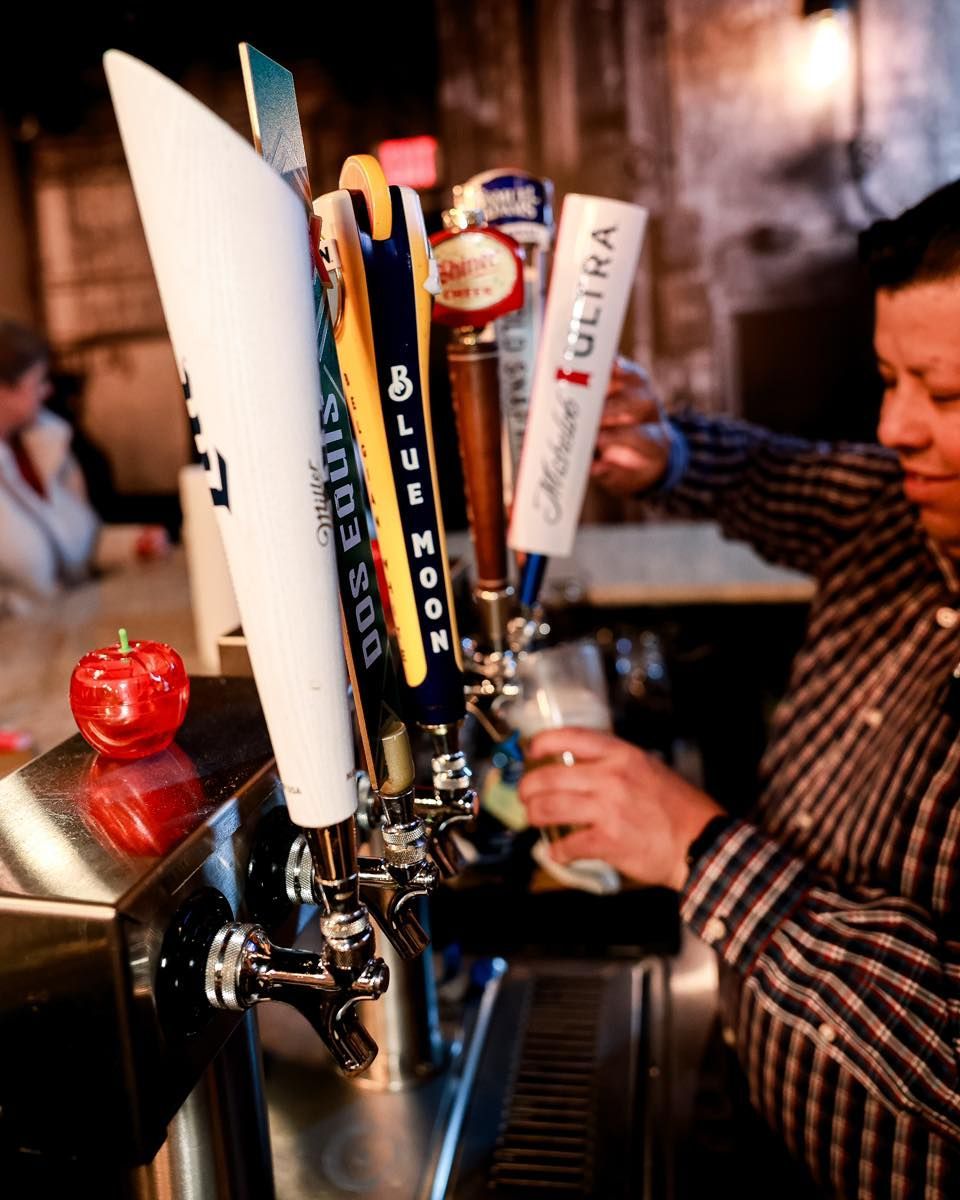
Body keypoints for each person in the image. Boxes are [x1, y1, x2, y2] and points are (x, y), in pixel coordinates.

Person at [520, 180, 960, 1197]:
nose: (894, 426)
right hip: (766, 1123)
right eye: (888, 377)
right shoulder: (898, 515)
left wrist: (696, 848)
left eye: (944, 396)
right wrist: (663, 451)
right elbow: (772, 475)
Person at [0, 320, 168, 616]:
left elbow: (77, 545)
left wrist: (131, 545)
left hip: (66, 636)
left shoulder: (45, 446)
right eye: (36, 382)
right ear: (3, 390)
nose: (47, 390)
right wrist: (22, 612)